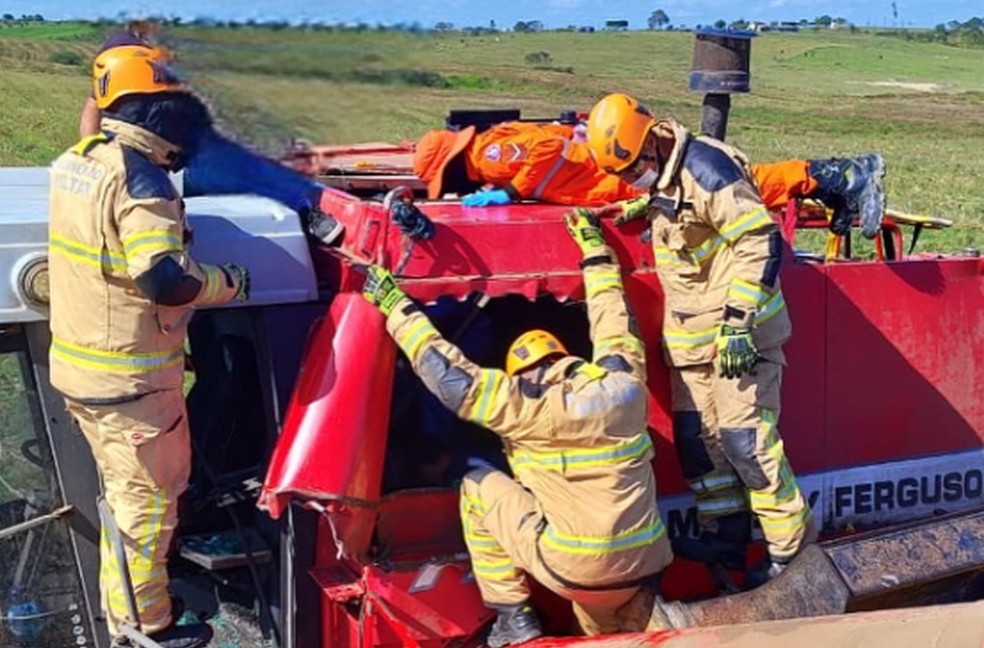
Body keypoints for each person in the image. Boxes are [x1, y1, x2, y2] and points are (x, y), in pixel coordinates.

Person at [362, 210, 673, 644]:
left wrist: (397, 309)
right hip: (646, 565)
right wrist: (595, 251)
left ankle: (513, 616)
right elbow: (614, 323)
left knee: (476, 486)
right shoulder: (625, 387)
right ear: (564, 359)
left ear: (525, 373)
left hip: (574, 570)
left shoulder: (524, 406)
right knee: (600, 626)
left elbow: (450, 377)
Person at [48, 45, 252, 648]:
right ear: (157, 110)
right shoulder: (145, 181)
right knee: (149, 514)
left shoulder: (78, 162)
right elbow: (165, 279)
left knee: (122, 503)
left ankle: (126, 615)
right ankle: (149, 631)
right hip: (134, 391)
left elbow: (92, 124)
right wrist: (228, 283)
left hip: (84, 376)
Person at [585, 92, 817, 586]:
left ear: (652, 141)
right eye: (624, 174)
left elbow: (758, 239)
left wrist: (738, 324)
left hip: (738, 338)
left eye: (633, 168)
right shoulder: (666, 178)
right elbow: (689, 219)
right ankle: (725, 538)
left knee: (745, 442)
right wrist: (646, 204)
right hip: (691, 340)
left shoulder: (709, 170)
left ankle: (791, 552)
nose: (631, 177)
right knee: (699, 446)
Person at [81, 28, 345, 246]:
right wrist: (91, 156)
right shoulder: (121, 50)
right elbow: (94, 104)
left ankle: (301, 209)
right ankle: (304, 210)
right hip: (151, 158)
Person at [413, 121, 885, 238]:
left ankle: (843, 175)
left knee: (735, 188)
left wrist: (510, 191)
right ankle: (834, 188)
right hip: (613, 182)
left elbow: (547, 149)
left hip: (616, 179)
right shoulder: (488, 150)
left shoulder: (488, 154)